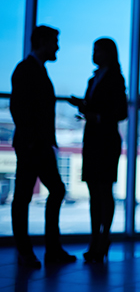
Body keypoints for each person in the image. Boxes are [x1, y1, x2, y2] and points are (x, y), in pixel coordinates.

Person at [10, 25, 76, 268]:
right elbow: (19, 109)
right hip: (33, 145)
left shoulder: (33, 69)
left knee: (34, 194)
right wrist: (32, 141)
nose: (57, 47)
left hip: (37, 145)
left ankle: (40, 250)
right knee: (29, 195)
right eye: (54, 42)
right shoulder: (27, 70)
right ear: (43, 42)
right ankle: (34, 250)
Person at [67, 38, 127, 262]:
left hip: (106, 139)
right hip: (93, 138)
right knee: (95, 190)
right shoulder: (94, 78)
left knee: (103, 189)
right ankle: (97, 238)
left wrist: (96, 116)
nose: (94, 54)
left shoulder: (115, 78)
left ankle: (103, 237)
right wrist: (84, 106)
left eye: (98, 50)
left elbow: (121, 112)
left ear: (108, 54)